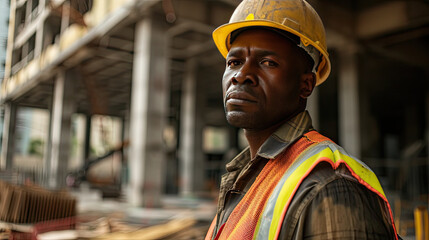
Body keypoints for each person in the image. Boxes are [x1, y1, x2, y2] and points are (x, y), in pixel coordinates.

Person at [205, 0, 399, 239]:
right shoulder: (246, 176)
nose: (241, 75)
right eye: (234, 62)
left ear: (305, 85)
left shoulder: (329, 187)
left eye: (268, 63)